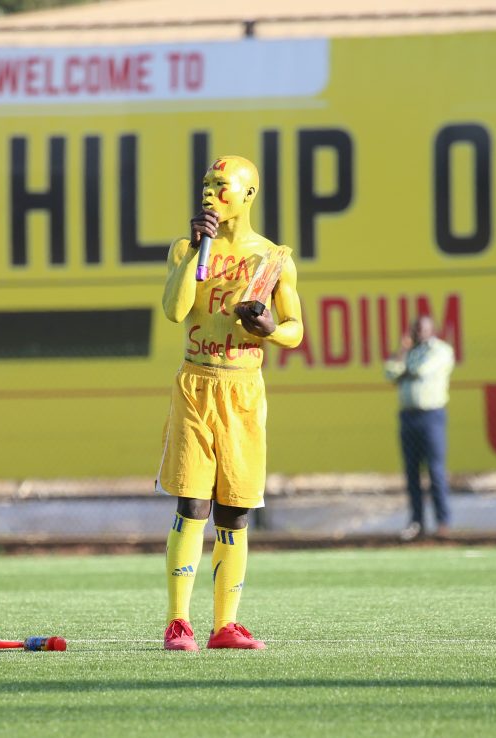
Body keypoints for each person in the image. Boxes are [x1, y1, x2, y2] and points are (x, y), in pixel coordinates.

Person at [156, 155, 304, 651]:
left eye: (221, 185)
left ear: (248, 193)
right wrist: (197, 247)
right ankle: (179, 623)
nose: (209, 192)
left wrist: (270, 331)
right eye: (205, 183)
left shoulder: (272, 258)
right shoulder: (186, 247)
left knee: (235, 511)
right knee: (192, 503)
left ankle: (226, 625)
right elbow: (175, 312)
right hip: (196, 384)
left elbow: (295, 328)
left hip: (243, 389)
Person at [384, 315, 456, 542]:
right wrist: (402, 353)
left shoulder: (441, 350)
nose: (416, 333)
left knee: (435, 471)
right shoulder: (410, 351)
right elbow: (389, 373)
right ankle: (417, 522)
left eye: (420, 329)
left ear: (431, 329)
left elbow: (421, 370)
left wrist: (402, 370)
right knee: (412, 473)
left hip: (431, 416)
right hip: (408, 416)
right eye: (414, 329)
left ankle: (443, 522)